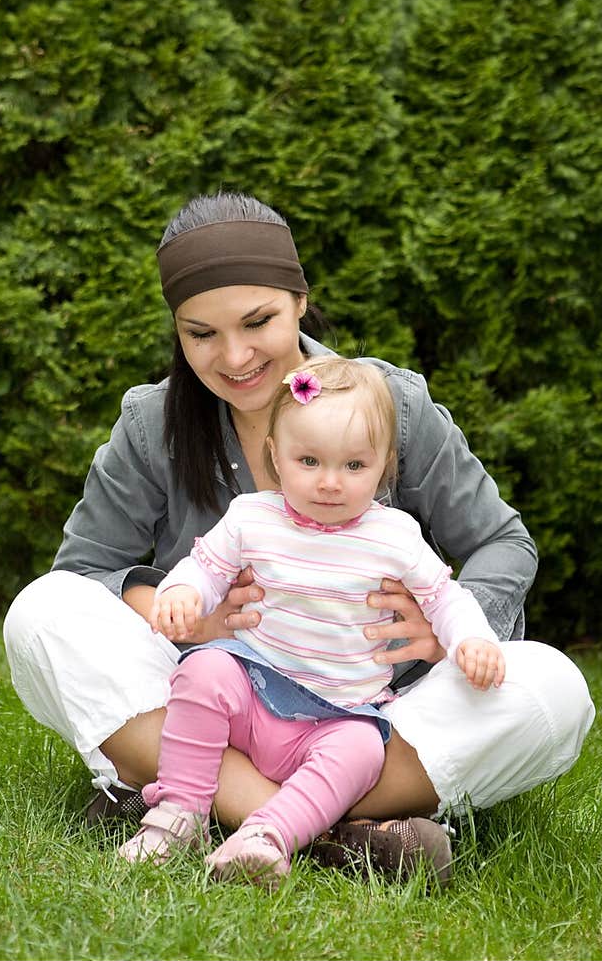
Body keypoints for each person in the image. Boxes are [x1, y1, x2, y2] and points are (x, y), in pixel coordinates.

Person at [3, 191, 595, 887]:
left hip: (364, 716)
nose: (234, 356)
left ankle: (195, 805)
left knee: (554, 689)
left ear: (300, 299)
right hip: (211, 698)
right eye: (201, 334)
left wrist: (450, 633)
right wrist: (189, 612)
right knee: (39, 614)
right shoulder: (151, 423)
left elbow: (503, 540)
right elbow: (83, 574)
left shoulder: (390, 403)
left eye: (258, 321)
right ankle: (330, 835)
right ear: (176, 328)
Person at [119, 355, 505, 887]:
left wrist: (472, 639)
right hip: (252, 692)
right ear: (276, 457)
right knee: (202, 672)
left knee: (364, 749)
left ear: (384, 464)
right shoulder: (253, 516)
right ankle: (178, 814)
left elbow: (446, 598)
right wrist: (183, 591)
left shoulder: (393, 535)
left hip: (336, 715)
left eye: (353, 466)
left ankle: (267, 836)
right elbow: (205, 567)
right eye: (309, 462)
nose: (329, 483)